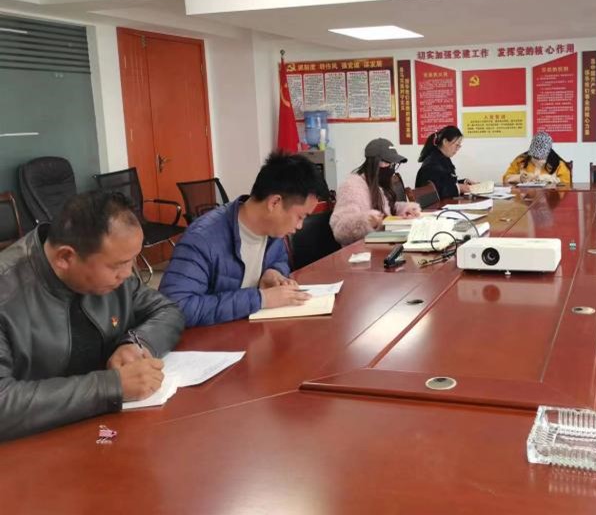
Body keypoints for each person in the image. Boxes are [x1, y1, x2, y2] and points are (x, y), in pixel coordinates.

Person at [0, 191, 184, 441]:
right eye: (117, 265)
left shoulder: (116, 278)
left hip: (108, 429)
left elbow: (167, 310)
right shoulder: (7, 292)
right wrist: (111, 386)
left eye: (132, 261)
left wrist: (135, 344)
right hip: (35, 445)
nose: (128, 274)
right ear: (66, 257)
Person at [160, 151, 323, 327]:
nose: (300, 226)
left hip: (253, 329)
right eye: (300, 217)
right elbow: (175, 309)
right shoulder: (201, 239)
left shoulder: (273, 231)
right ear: (274, 203)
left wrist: (273, 272)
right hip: (215, 337)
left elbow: (280, 259)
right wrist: (260, 299)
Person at [330, 138, 421, 246]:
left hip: (379, 244)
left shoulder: (376, 185)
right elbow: (339, 229)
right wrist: (366, 221)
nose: (391, 168)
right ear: (374, 162)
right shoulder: (352, 186)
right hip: (359, 250)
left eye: (393, 164)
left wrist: (403, 209)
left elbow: (384, 210)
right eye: (388, 163)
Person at [415, 125, 473, 199]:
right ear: (445, 141)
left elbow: (445, 182)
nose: (457, 149)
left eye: (459, 146)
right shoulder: (432, 163)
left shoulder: (442, 158)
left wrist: (463, 182)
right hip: (433, 206)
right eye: (456, 145)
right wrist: (459, 188)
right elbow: (436, 191)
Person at [502, 131, 572, 186]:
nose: (538, 159)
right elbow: (505, 178)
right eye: (535, 156)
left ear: (549, 152)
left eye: (542, 156)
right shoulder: (520, 160)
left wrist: (545, 179)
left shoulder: (559, 164)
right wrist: (520, 178)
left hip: (550, 198)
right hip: (524, 198)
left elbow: (567, 185)